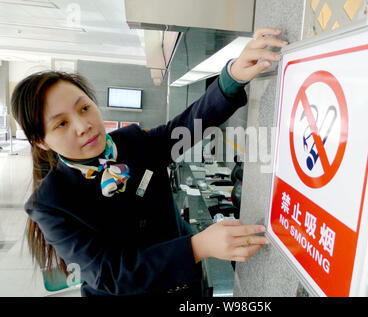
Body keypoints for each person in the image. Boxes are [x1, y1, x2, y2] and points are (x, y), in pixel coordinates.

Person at [11, 27, 288, 296]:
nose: (83, 126)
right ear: (41, 141)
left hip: (185, 285)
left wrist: (232, 78)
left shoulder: (131, 141)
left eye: (84, 107)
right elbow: (109, 274)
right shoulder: (50, 203)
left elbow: (185, 127)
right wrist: (197, 246)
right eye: (61, 123)